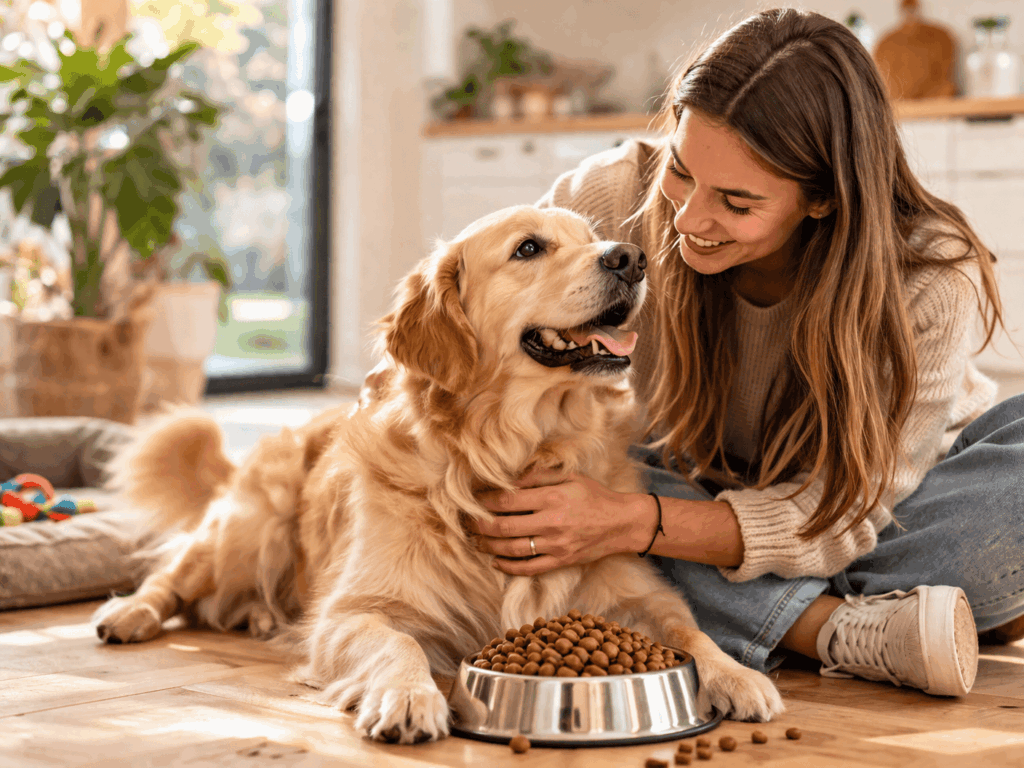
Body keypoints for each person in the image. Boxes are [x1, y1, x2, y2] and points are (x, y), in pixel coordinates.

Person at [467, 7, 1024, 697]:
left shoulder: (930, 272)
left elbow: (848, 518)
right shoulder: (610, 194)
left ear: (823, 199)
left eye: (736, 202)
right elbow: (481, 309)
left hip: (885, 512)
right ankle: (866, 625)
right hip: (688, 481)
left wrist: (633, 524)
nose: (687, 219)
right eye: (680, 170)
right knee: (567, 479)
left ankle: (793, 618)